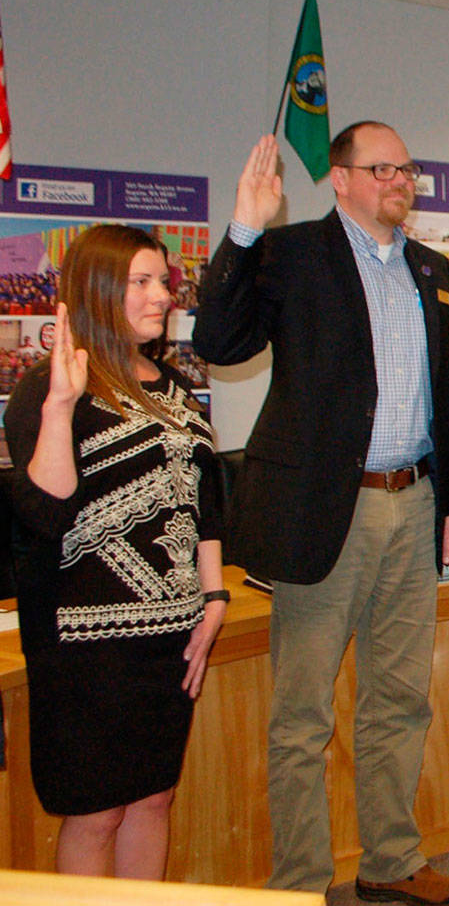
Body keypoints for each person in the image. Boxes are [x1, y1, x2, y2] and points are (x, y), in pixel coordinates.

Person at [193, 126, 449, 905]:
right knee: (302, 718)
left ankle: (390, 860)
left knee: (400, 700)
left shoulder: (432, 269)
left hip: (414, 504)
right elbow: (217, 338)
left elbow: (446, 396)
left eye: (406, 167)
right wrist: (246, 227)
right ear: (342, 179)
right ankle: (299, 883)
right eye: (382, 168)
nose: (399, 179)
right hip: (327, 512)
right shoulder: (291, 255)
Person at [4, 224, 226, 878]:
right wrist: (60, 406)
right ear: (99, 289)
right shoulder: (48, 386)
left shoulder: (176, 388)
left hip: (171, 642)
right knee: (95, 812)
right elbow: (43, 511)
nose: (163, 294)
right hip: (84, 648)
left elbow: (205, 499)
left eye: (164, 280)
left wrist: (214, 598)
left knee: (154, 798)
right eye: (142, 281)